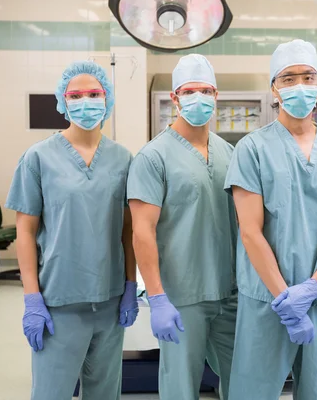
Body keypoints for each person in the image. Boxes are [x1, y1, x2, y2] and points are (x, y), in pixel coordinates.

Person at [225, 39, 317, 400]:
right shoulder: (252, 149)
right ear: (274, 88)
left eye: (308, 76)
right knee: (253, 391)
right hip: (267, 297)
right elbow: (250, 232)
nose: (300, 85)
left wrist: (313, 287)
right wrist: (286, 297)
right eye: (288, 78)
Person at [5, 61, 138, 400]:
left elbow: (128, 230)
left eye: (93, 93)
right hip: (58, 303)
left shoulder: (123, 159)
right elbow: (24, 232)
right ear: (63, 102)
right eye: (75, 95)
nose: (85, 101)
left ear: (107, 98)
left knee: (106, 393)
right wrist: (32, 298)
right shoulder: (38, 158)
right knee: (51, 393)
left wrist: (129, 285)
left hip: (109, 302)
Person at [127, 54, 238, 400]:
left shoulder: (229, 153)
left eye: (206, 90)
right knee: (180, 388)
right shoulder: (153, 157)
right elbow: (141, 231)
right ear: (175, 99)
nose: (199, 98)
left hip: (230, 292)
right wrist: (157, 298)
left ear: (216, 95)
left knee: (246, 382)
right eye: (190, 91)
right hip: (181, 295)